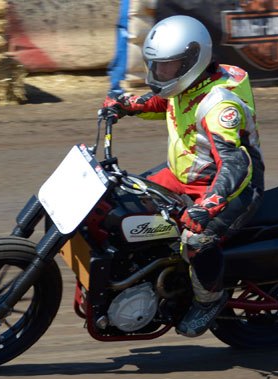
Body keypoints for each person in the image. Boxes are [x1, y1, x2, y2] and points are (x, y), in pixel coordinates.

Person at [101, 15, 264, 337]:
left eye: (167, 66)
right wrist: (128, 105)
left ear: (193, 60)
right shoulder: (190, 83)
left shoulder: (219, 107)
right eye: (156, 65)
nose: (160, 73)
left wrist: (208, 206)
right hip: (186, 172)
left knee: (196, 240)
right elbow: (169, 102)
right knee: (123, 200)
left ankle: (209, 299)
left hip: (230, 187)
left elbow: (235, 165)